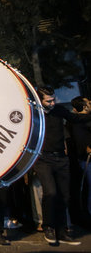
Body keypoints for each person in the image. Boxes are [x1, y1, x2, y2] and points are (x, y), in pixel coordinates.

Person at [32, 86, 90, 246]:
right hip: (43, 159)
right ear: (40, 100)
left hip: (61, 159)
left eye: (53, 99)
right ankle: (48, 227)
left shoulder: (59, 110)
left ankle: (63, 230)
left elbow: (76, 119)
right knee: (50, 192)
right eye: (48, 100)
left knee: (64, 195)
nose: (52, 102)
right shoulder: (34, 114)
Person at [70, 96, 91, 217]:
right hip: (87, 159)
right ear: (84, 106)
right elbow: (81, 142)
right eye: (88, 102)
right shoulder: (80, 121)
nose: (90, 103)